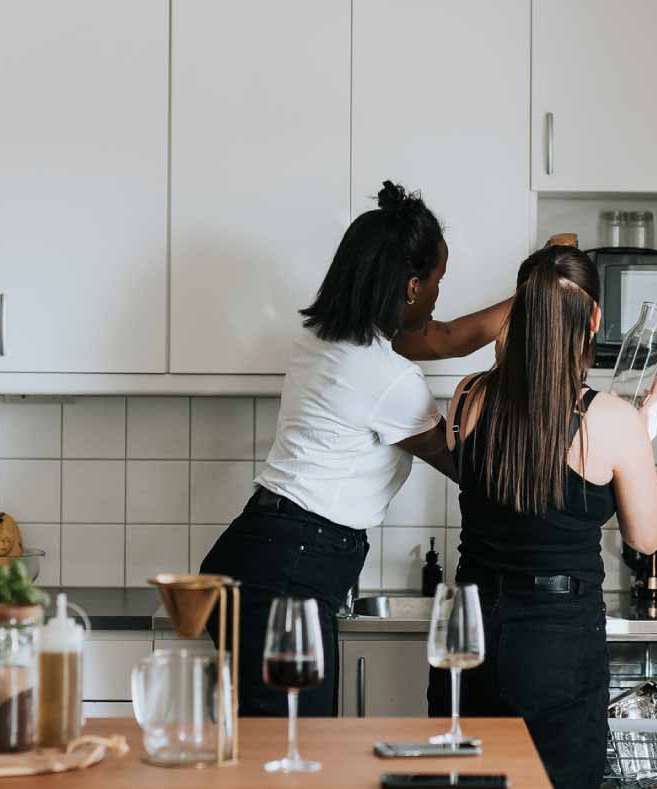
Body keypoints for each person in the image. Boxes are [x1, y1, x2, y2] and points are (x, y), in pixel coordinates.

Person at [199, 181, 513, 718]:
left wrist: (531, 297)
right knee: (292, 759)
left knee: (277, 755)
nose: (440, 294)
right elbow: (469, 468)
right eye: (439, 281)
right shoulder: (387, 377)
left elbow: (446, 336)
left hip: (256, 554)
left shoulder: (325, 339)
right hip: (291, 571)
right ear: (412, 287)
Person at [427, 245, 657, 789]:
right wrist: (645, 436)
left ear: (521, 311)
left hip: (471, 636)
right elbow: (647, 535)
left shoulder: (468, 396)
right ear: (593, 322)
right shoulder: (609, 418)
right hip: (557, 644)